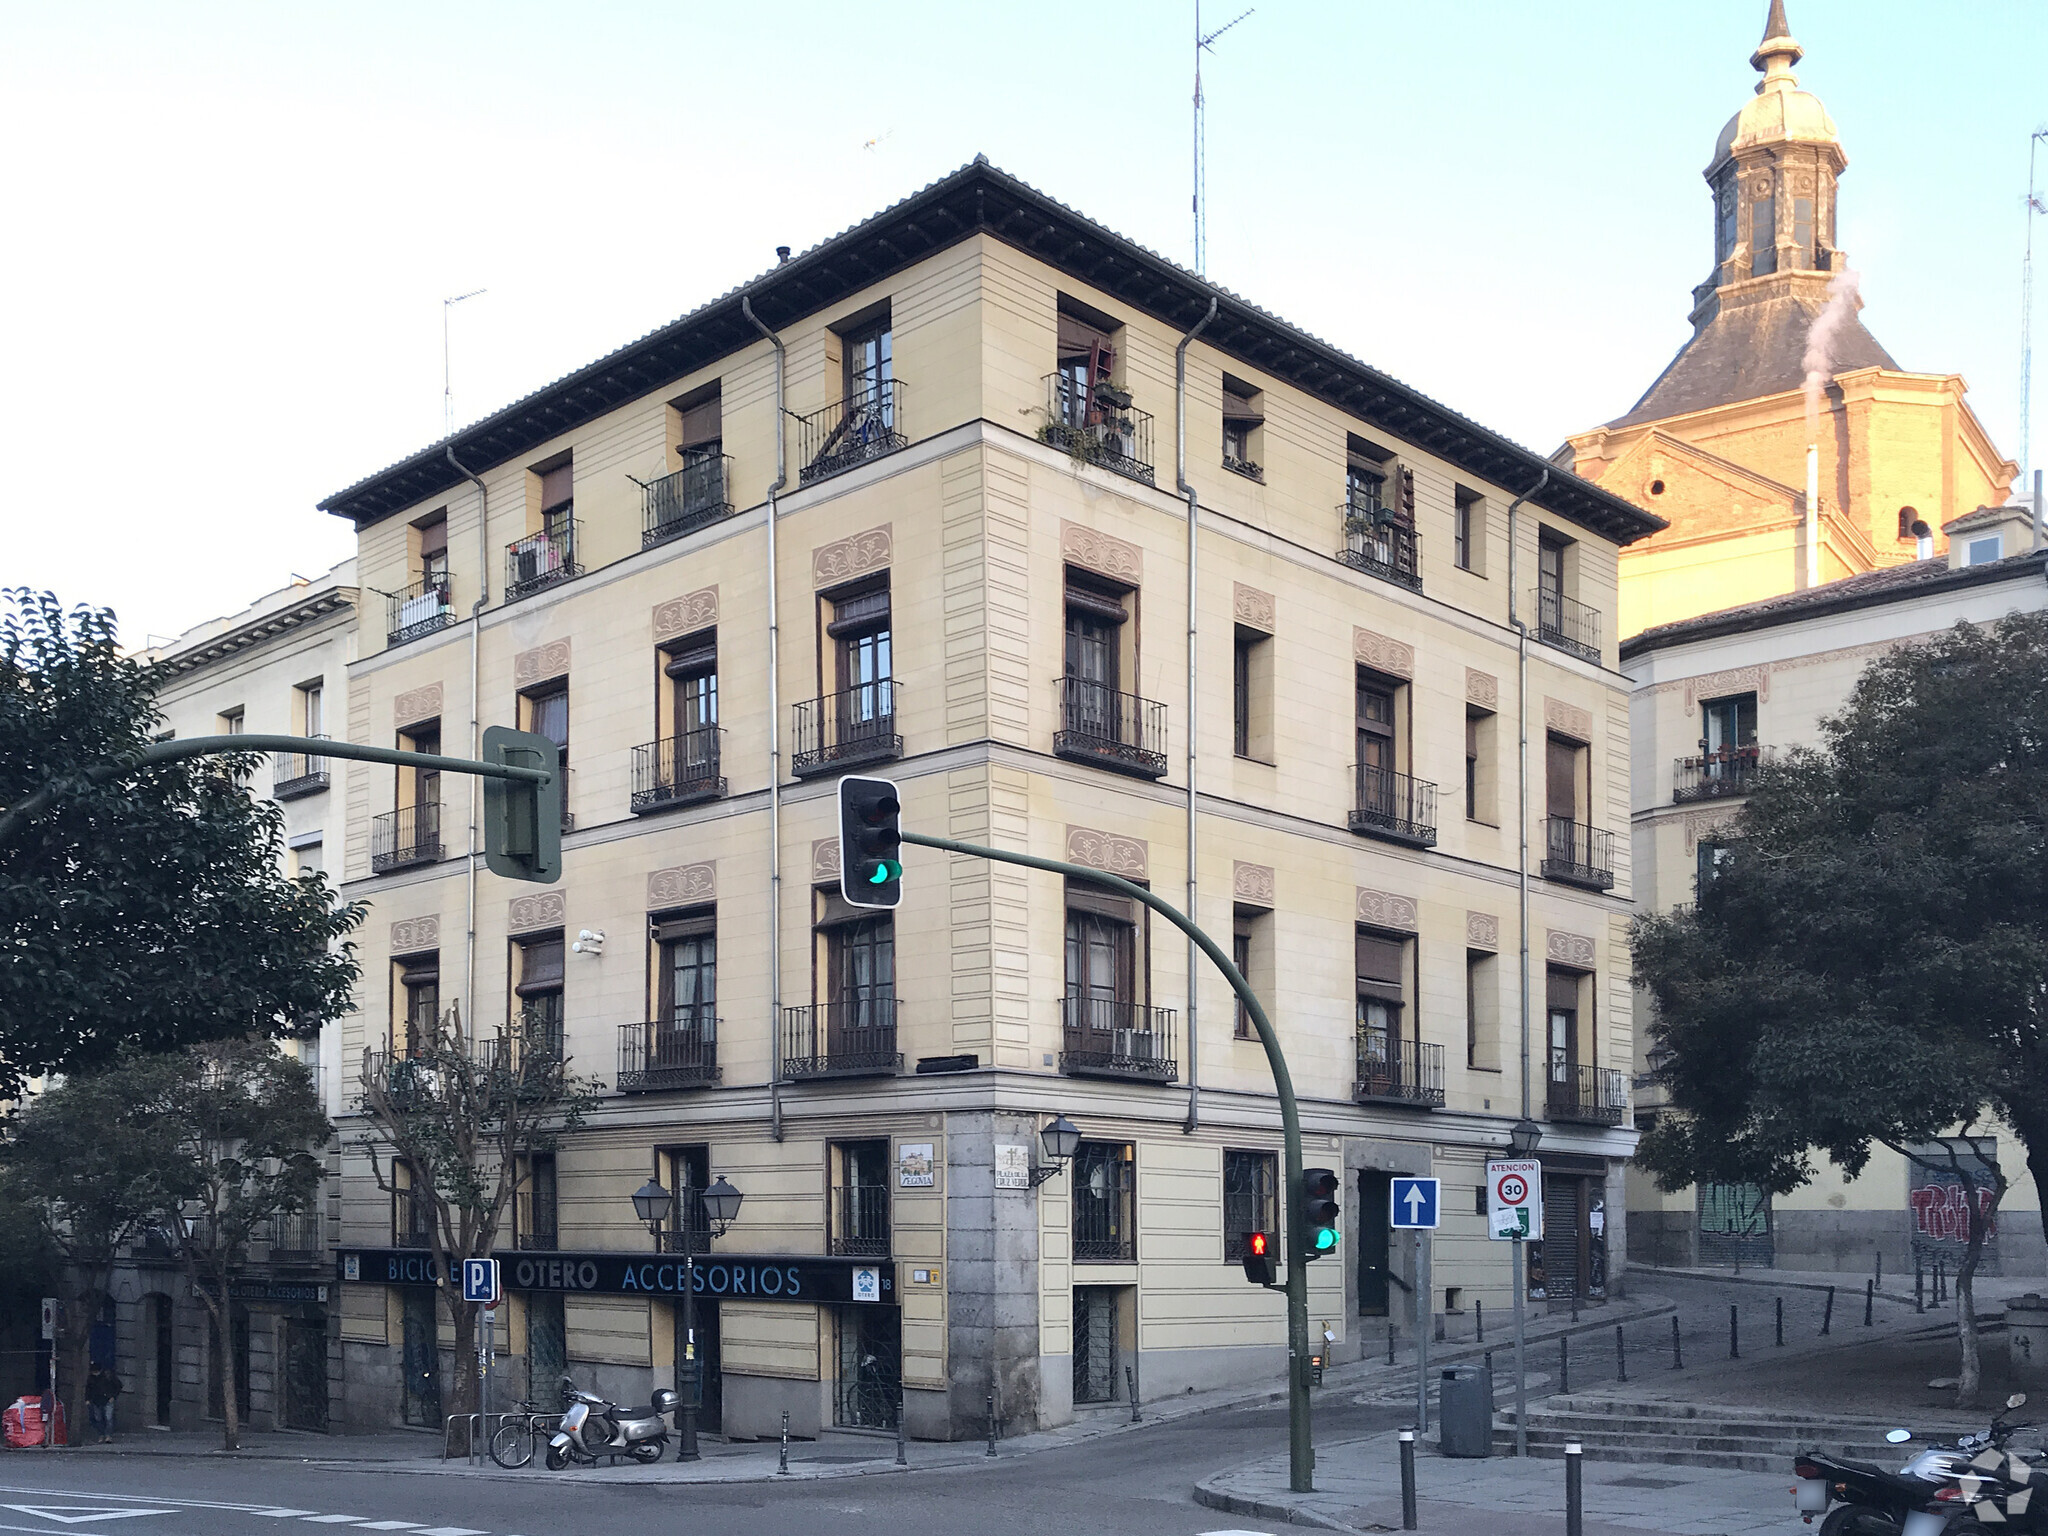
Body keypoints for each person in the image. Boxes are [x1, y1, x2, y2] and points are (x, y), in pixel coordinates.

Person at [85, 1365, 121, 1444]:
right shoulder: (91, 1378)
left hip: (107, 1400)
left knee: (108, 1418)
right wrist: (87, 1399)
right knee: (99, 1419)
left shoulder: (107, 1376)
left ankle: (107, 1435)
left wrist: (113, 1396)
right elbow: (88, 1389)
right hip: (96, 1400)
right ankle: (102, 1435)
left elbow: (118, 1386)